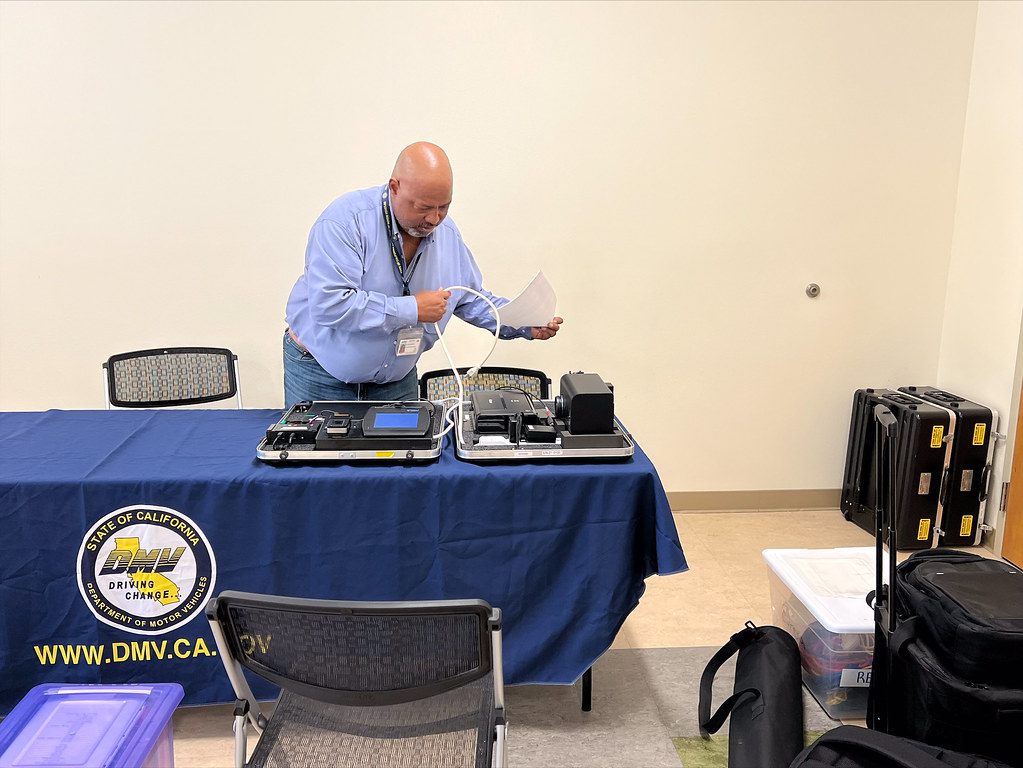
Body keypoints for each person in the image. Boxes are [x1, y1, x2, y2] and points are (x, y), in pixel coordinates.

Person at [283, 142, 563, 408]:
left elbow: (470, 300)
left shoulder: (447, 234)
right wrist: (412, 308)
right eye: (424, 207)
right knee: (312, 460)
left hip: (396, 382)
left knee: (401, 460)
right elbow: (331, 305)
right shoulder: (344, 223)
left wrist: (525, 324)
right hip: (319, 375)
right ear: (394, 187)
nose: (434, 219)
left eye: (444, 207)